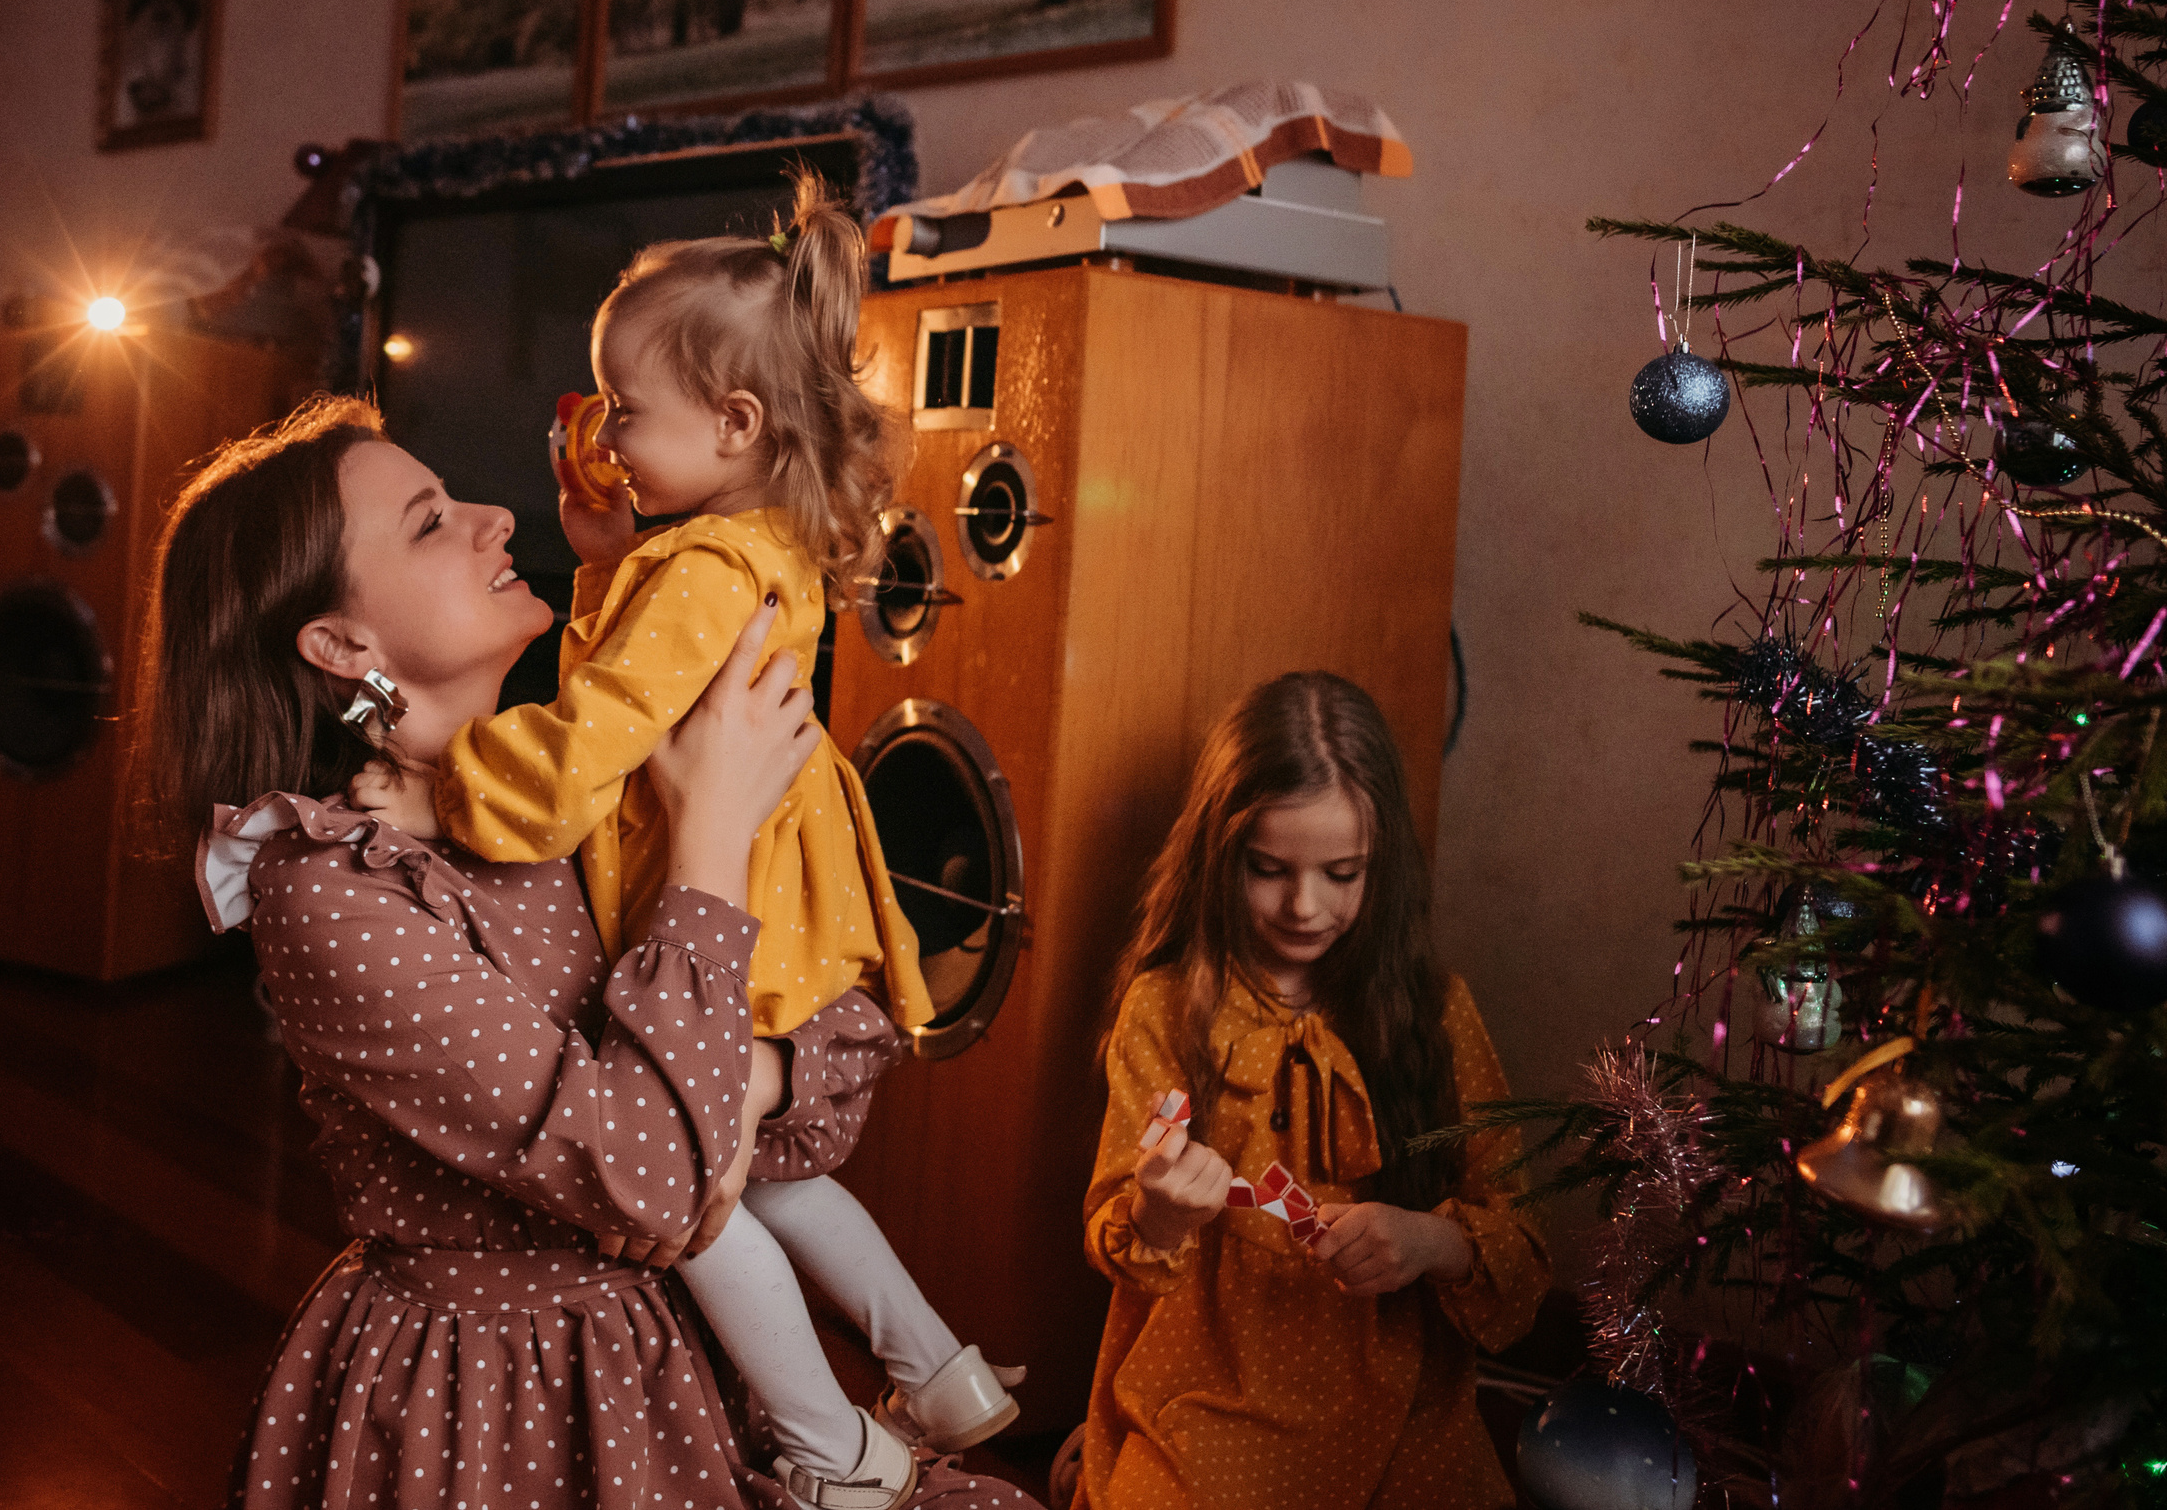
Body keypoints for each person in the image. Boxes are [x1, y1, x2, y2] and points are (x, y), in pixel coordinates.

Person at [139, 397, 1027, 1510]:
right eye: (429, 522)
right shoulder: (330, 888)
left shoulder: (580, 799)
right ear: (342, 645)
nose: (497, 517)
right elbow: (656, 1182)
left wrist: (746, 1079)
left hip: (686, 1356)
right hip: (491, 1407)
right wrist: (709, 836)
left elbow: (846, 1054)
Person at [356, 176, 1017, 1503]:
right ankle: (939, 1366)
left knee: (698, 1197)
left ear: (734, 421)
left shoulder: (700, 572)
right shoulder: (743, 549)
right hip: (796, 910)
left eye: (627, 409)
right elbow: (648, 692)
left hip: (737, 918)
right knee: (776, 1175)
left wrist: (439, 782)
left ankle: (835, 1444)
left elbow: (581, 759)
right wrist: (601, 563)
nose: (601, 432)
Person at [1075, 672, 1550, 1510]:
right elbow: (1120, 1238)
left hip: (1402, 1408)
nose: (1304, 906)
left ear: (1384, 863)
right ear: (1220, 856)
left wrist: (1431, 1242)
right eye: (1268, 869)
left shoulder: (1437, 1013)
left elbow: (1521, 1246)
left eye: (1342, 872)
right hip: (1207, 1397)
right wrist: (1160, 1213)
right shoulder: (1168, 1006)